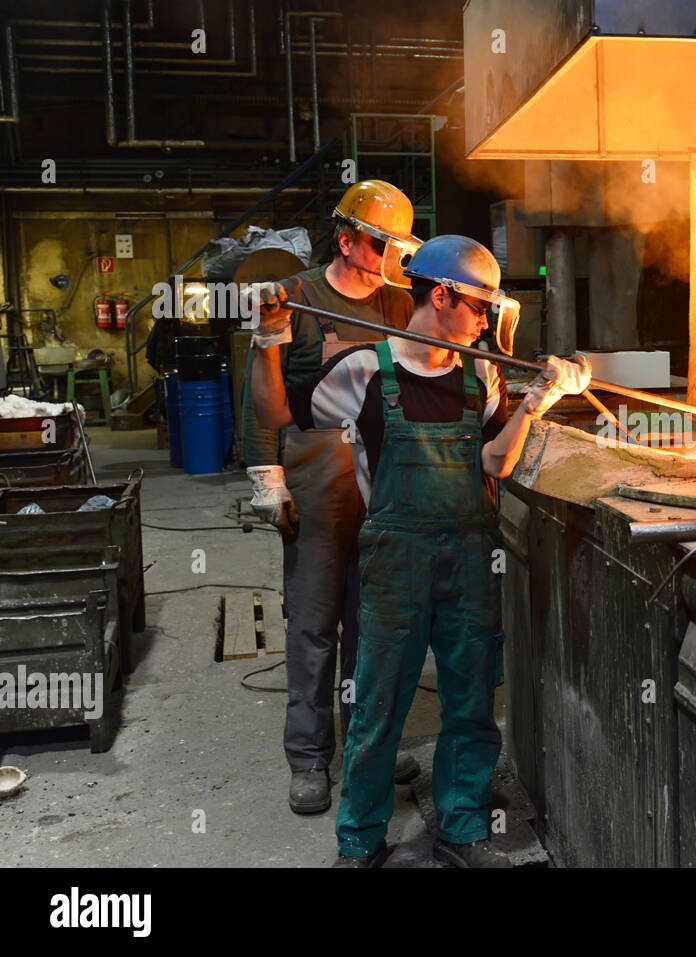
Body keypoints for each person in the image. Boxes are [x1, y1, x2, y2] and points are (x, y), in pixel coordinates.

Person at [250, 235, 590, 868]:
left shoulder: (478, 371)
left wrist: (536, 403)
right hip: (395, 558)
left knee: (469, 703)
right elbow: (278, 413)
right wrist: (268, 342)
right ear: (442, 296)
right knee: (378, 706)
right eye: (481, 307)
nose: (487, 322)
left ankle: (461, 829)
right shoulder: (363, 369)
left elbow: (495, 460)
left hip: (468, 555)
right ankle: (360, 840)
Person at [243, 179, 423, 815]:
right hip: (318, 480)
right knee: (315, 626)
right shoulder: (291, 300)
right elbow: (261, 395)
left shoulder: (402, 306)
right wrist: (266, 471)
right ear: (346, 242)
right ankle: (309, 758)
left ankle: (363, 748)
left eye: (399, 247)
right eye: (382, 244)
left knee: (371, 628)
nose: (393, 258)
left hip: (383, 483)